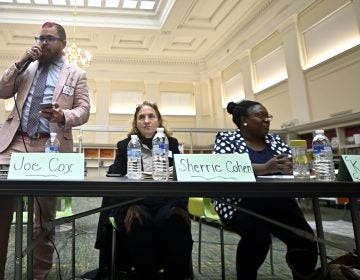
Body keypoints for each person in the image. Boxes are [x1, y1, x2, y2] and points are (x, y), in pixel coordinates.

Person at [0, 22, 90, 279]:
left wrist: (64, 115)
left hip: (49, 145)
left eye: (49, 38)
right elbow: (2, 90)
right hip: (14, 143)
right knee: (1, 206)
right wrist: (20, 61)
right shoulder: (27, 67)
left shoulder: (76, 74)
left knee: (43, 218)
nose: (43, 42)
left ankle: (37, 275)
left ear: (63, 43)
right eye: (40, 37)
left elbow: (84, 110)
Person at [213, 100, 318, 280]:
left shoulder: (274, 140)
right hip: (241, 205)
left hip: (278, 202)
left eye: (267, 116)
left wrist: (293, 166)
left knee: (305, 238)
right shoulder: (227, 139)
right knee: (258, 238)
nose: (266, 120)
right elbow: (223, 168)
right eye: (260, 116)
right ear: (244, 120)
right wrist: (265, 168)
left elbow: (293, 162)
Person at [94, 101, 193, 280]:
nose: (146, 121)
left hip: (166, 203)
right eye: (141, 117)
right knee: (138, 224)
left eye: (151, 116)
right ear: (136, 123)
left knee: (178, 223)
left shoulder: (171, 143)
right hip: (137, 203)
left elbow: (181, 176)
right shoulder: (125, 145)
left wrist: (180, 205)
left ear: (159, 121)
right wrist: (128, 205)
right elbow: (117, 180)